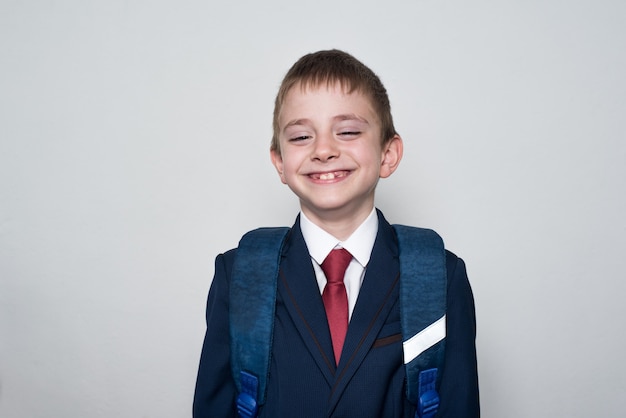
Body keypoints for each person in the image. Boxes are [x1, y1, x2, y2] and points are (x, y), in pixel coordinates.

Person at [193, 49, 479, 417]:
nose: (324, 150)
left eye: (347, 131)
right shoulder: (240, 274)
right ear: (280, 162)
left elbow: (458, 404)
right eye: (300, 137)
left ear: (388, 154)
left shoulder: (439, 275)